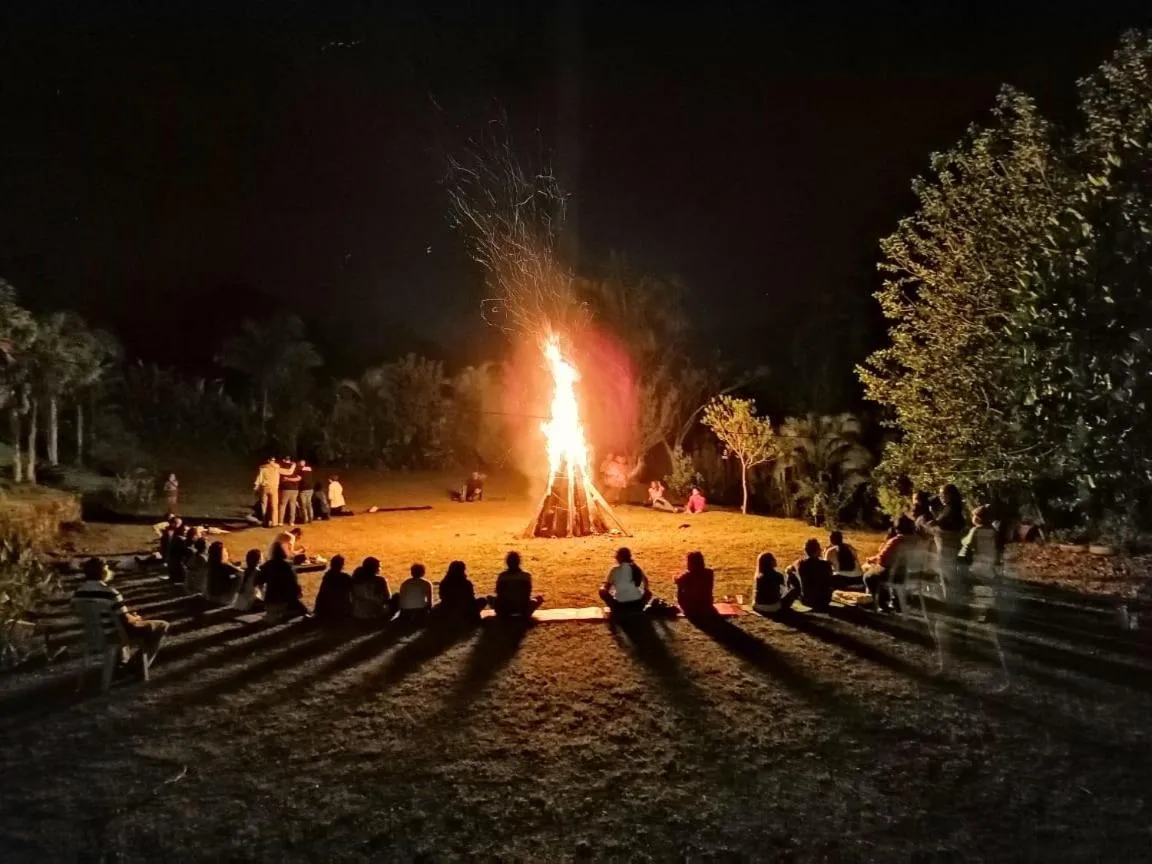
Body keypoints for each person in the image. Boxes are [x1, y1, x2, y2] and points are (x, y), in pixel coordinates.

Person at [72, 557, 170, 666]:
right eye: (107, 567)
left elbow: (78, 611)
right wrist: (135, 618)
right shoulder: (110, 593)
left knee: (118, 626)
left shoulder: (78, 593)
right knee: (161, 625)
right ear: (103, 571)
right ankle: (138, 665)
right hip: (114, 634)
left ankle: (121, 661)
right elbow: (125, 620)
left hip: (93, 634)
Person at [863, 516, 917, 612]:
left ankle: (882, 603)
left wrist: (872, 560)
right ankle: (897, 602)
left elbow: (882, 558)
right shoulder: (917, 540)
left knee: (868, 577)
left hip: (894, 573)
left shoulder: (896, 541)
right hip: (909, 571)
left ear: (897, 528)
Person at [258, 543, 310, 623]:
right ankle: (284, 614)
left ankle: (276, 614)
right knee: (303, 609)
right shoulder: (288, 566)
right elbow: (294, 586)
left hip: (269, 602)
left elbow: (259, 580)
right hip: (284, 602)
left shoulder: (268, 565)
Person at [599, 547, 651, 616]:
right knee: (647, 593)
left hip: (619, 606)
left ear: (619, 557)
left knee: (602, 590)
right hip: (637, 605)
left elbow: (607, 587)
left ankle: (616, 609)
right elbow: (646, 583)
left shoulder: (615, 570)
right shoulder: (637, 569)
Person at [787, 539, 835, 610]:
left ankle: (795, 594)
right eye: (819, 548)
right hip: (824, 600)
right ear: (817, 550)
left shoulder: (800, 563)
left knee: (791, 575)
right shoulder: (825, 565)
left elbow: (788, 569)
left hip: (807, 600)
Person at [493, 551, 544, 617]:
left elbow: (499, 593)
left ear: (507, 562)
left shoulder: (502, 576)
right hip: (522, 609)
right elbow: (527, 593)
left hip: (505, 609)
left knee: (491, 598)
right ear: (519, 562)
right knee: (539, 598)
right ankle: (525, 613)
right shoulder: (526, 576)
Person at [351, 557, 393, 621]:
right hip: (373, 615)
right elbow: (388, 597)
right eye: (378, 567)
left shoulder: (355, 579)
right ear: (374, 568)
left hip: (356, 614)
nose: (379, 569)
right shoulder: (380, 580)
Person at [675, 551, 715, 618]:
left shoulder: (686, 576)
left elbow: (677, 581)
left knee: (679, 588)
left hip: (690, 607)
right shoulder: (709, 573)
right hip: (707, 605)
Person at [314, 554, 353, 621]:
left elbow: (321, 595)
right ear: (342, 565)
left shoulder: (327, 577)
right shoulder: (345, 577)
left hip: (324, 610)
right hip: (338, 611)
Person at [254, 456, 287, 528]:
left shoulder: (263, 468)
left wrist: (256, 486)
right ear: (270, 460)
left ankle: (265, 522)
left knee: (264, 505)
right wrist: (293, 466)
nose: (273, 461)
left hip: (265, 488)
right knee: (274, 506)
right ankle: (274, 523)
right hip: (273, 488)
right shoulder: (276, 468)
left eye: (274, 460)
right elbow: (288, 472)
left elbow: (259, 478)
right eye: (273, 460)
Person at [278, 459, 302, 527]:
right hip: (295, 489)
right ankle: (291, 522)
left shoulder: (281, 467)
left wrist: (288, 479)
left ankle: (280, 522)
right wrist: (291, 479)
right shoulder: (296, 467)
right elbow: (299, 478)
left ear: (283, 460)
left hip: (285, 489)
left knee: (282, 505)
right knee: (293, 506)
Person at [297, 459, 315, 523]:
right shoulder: (309, 469)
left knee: (303, 505)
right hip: (310, 489)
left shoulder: (299, 471)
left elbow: (298, 478)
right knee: (309, 504)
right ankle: (311, 518)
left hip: (303, 490)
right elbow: (309, 468)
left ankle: (305, 518)